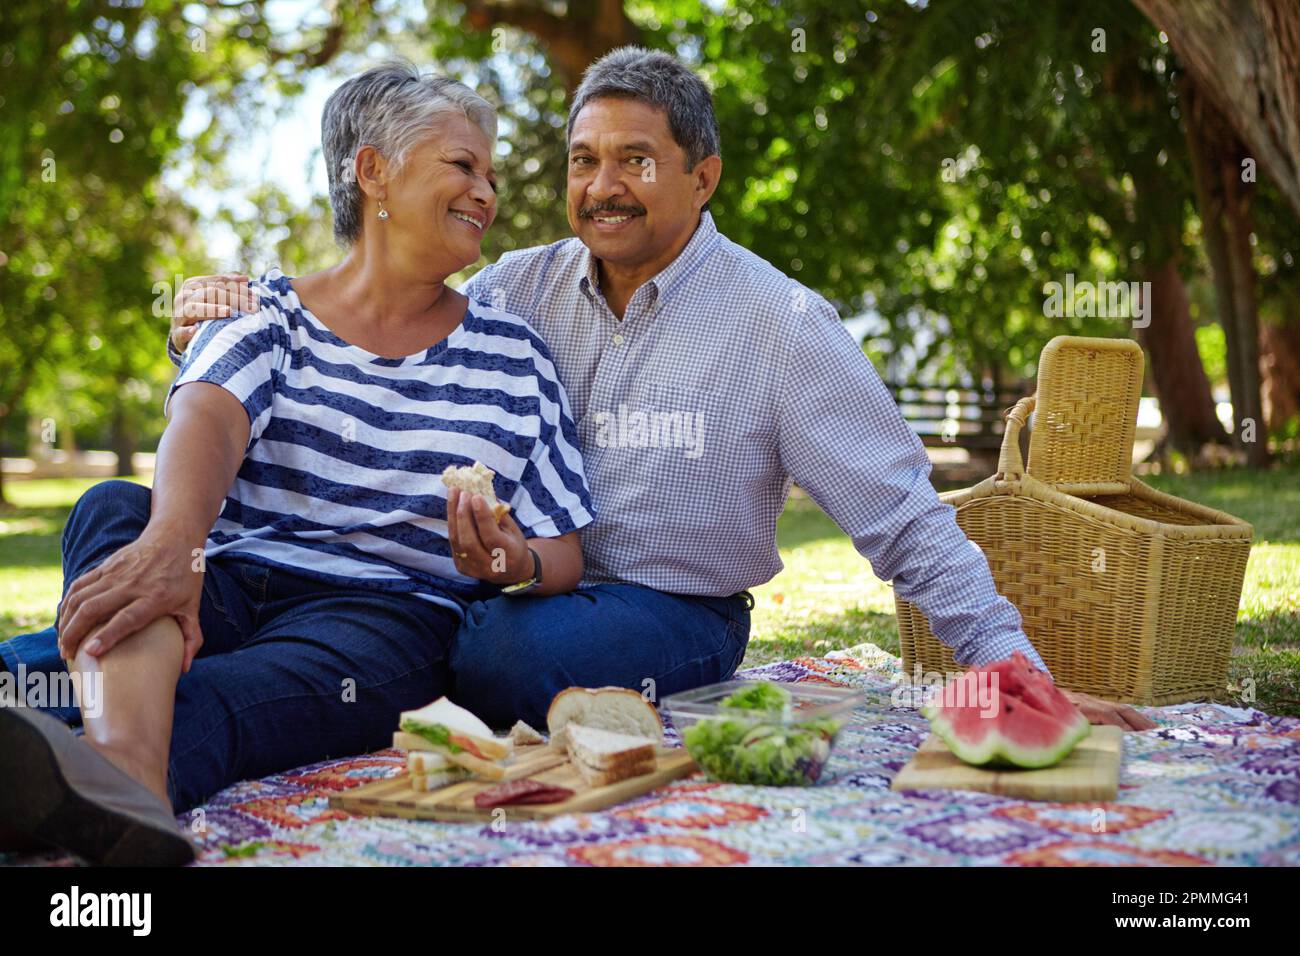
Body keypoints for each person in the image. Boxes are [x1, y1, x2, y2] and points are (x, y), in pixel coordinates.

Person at [168, 49, 1154, 735]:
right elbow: (384, 299)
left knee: (492, 660)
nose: (603, 186)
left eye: (635, 160)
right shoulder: (519, 283)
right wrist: (245, 299)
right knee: (440, 629)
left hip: (670, 606)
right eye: (582, 161)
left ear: (703, 176)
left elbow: (904, 515)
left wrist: (1009, 664)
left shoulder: (784, 327)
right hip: (518, 584)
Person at [0, 64, 593, 865]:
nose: (487, 192)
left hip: (384, 620)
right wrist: (175, 545)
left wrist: (511, 559)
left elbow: (563, 550)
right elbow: (208, 412)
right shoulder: (263, 309)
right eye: (462, 165)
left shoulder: (515, 357)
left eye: (489, 174)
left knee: (189, 696)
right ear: (372, 169)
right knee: (116, 508)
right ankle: (127, 782)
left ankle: (101, 773)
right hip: (226, 576)